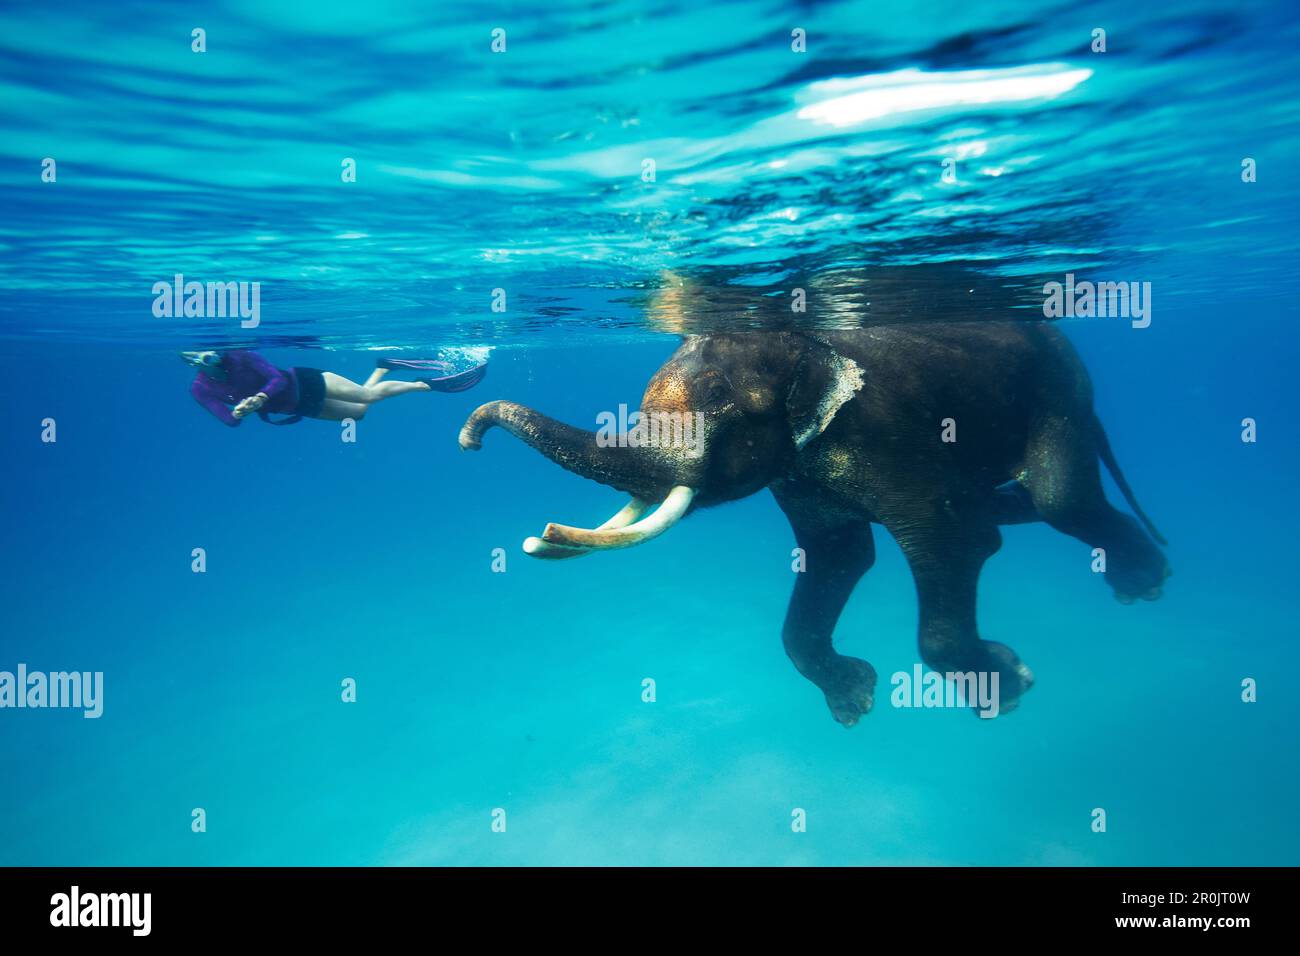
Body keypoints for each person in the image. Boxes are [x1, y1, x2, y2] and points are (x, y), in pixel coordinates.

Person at [182, 349, 487, 426]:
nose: (207, 356)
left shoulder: (240, 355)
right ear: (188, 361)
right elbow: (229, 421)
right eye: (196, 355)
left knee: (366, 395)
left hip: (303, 380)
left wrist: (260, 397)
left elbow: (276, 378)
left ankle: (426, 385)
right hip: (296, 406)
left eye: (208, 350)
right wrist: (239, 411)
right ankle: (384, 366)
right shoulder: (200, 390)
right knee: (359, 414)